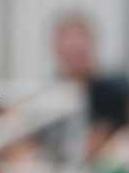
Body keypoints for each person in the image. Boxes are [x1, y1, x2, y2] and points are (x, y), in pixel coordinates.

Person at [53, 13, 129, 160]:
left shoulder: (116, 88)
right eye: (70, 48)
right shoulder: (50, 94)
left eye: (79, 48)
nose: (75, 52)